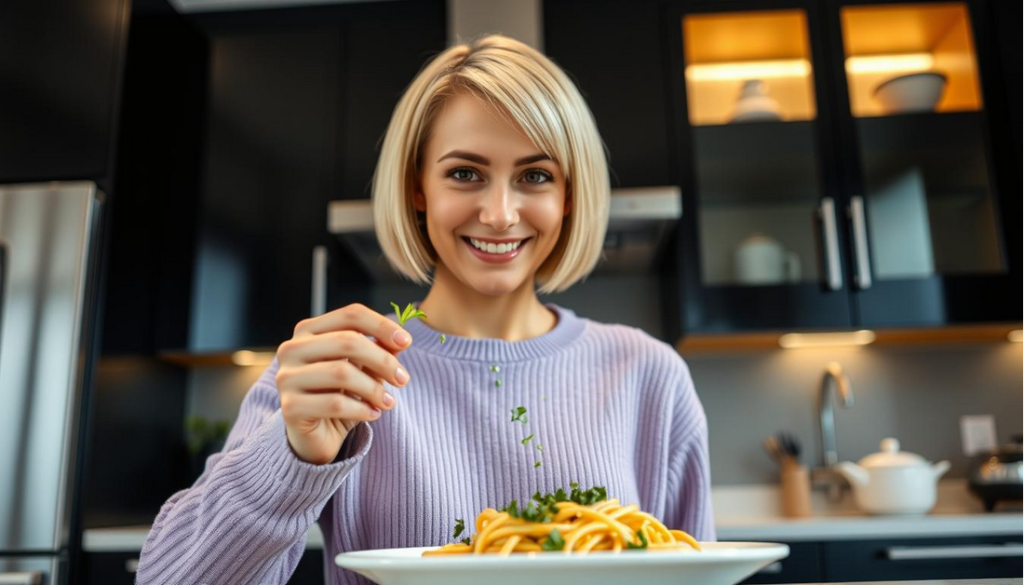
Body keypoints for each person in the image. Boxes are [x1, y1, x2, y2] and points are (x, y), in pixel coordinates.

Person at [136, 34, 715, 585]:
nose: (499, 213)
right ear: (419, 188)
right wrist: (289, 460)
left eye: (535, 176)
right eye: (465, 173)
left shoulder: (650, 375)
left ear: (568, 198)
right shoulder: (340, 374)